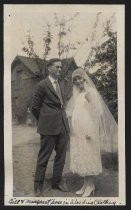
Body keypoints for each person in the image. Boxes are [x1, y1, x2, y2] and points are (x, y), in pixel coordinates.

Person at [66, 68, 118, 197]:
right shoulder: (78, 94)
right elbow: (75, 113)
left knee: (89, 156)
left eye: (80, 78)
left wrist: (91, 130)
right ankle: (85, 184)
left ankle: (91, 185)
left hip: (89, 130)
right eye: (75, 80)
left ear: (84, 78)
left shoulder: (91, 92)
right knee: (82, 157)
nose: (78, 81)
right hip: (79, 131)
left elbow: (98, 112)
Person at [31, 58, 70, 196]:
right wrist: (45, 120)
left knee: (61, 156)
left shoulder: (62, 84)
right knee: (44, 157)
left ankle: (57, 182)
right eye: (57, 67)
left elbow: (62, 104)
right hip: (48, 127)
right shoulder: (42, 85)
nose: (60, 69)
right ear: (49, 68)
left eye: (61, 67)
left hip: (63, 127)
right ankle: (38, 187)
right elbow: (35, 107)